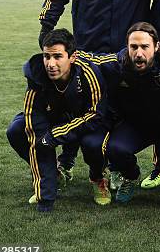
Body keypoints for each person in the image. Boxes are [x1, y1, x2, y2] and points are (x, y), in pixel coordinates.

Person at [38, 0, 155, 190]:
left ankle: (113, 166)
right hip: (88, 47)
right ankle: (66, 162)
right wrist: (46, 26)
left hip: (123, 53)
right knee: (79, 104)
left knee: (117, 106)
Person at [81, 22, 160, 206]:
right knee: (115, 149)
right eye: (134, 47)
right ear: (127, 47)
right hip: (134, 125)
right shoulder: (117, 65)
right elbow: (91, 59)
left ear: (156, 46)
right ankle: (131, 176)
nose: (139, 53)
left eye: (145, 47)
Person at [6, 29, 111, 212]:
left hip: (87, 120)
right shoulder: (35, 75)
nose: (50, 64)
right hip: (52, 117)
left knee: (93, 144)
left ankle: (98, 178)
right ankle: (54, 175)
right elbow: (35, 132)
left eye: (57, 56)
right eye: (47, 56)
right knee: (16, 130)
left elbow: (96, 115)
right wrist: (45, 198)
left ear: (72, 57)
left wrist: (56, 134)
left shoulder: (88, 72)